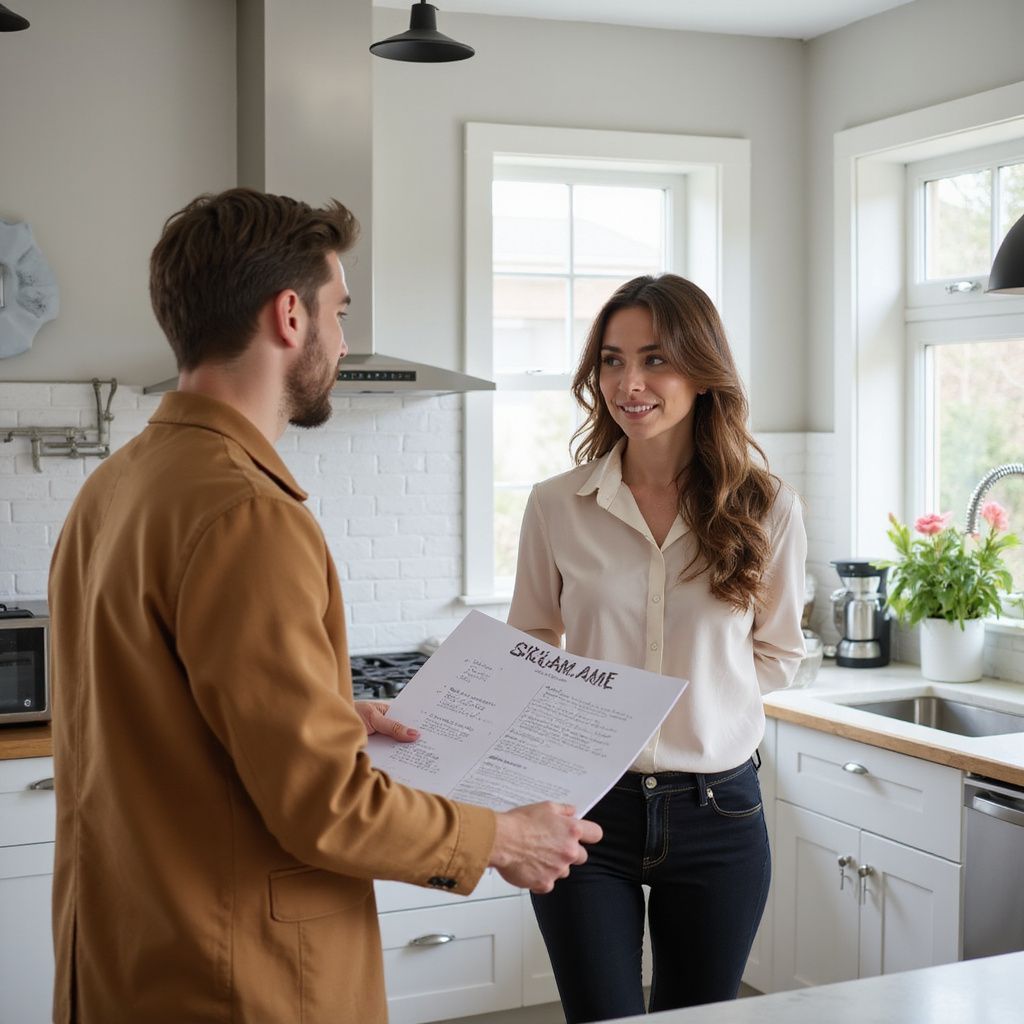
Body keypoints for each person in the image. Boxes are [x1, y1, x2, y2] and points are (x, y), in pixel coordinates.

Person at [47, 188, 601, 1024]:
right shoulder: (247, 512)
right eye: (340, 311)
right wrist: (503, 838)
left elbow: (155, 720)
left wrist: (326, 712)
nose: (345, 340)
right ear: (290, 317)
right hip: (237, 982)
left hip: (125, 960)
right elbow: (323, 805)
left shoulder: (115, 485)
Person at [507, 274, 806, 1022]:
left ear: (703, 373)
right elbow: (533, 641)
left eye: (655, 360)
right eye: (611, 361)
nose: (629, 384)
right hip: (587, 807)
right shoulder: (556, 505)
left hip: (719, 812)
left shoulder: (766, 507)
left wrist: (702, 703)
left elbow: (779, 653)